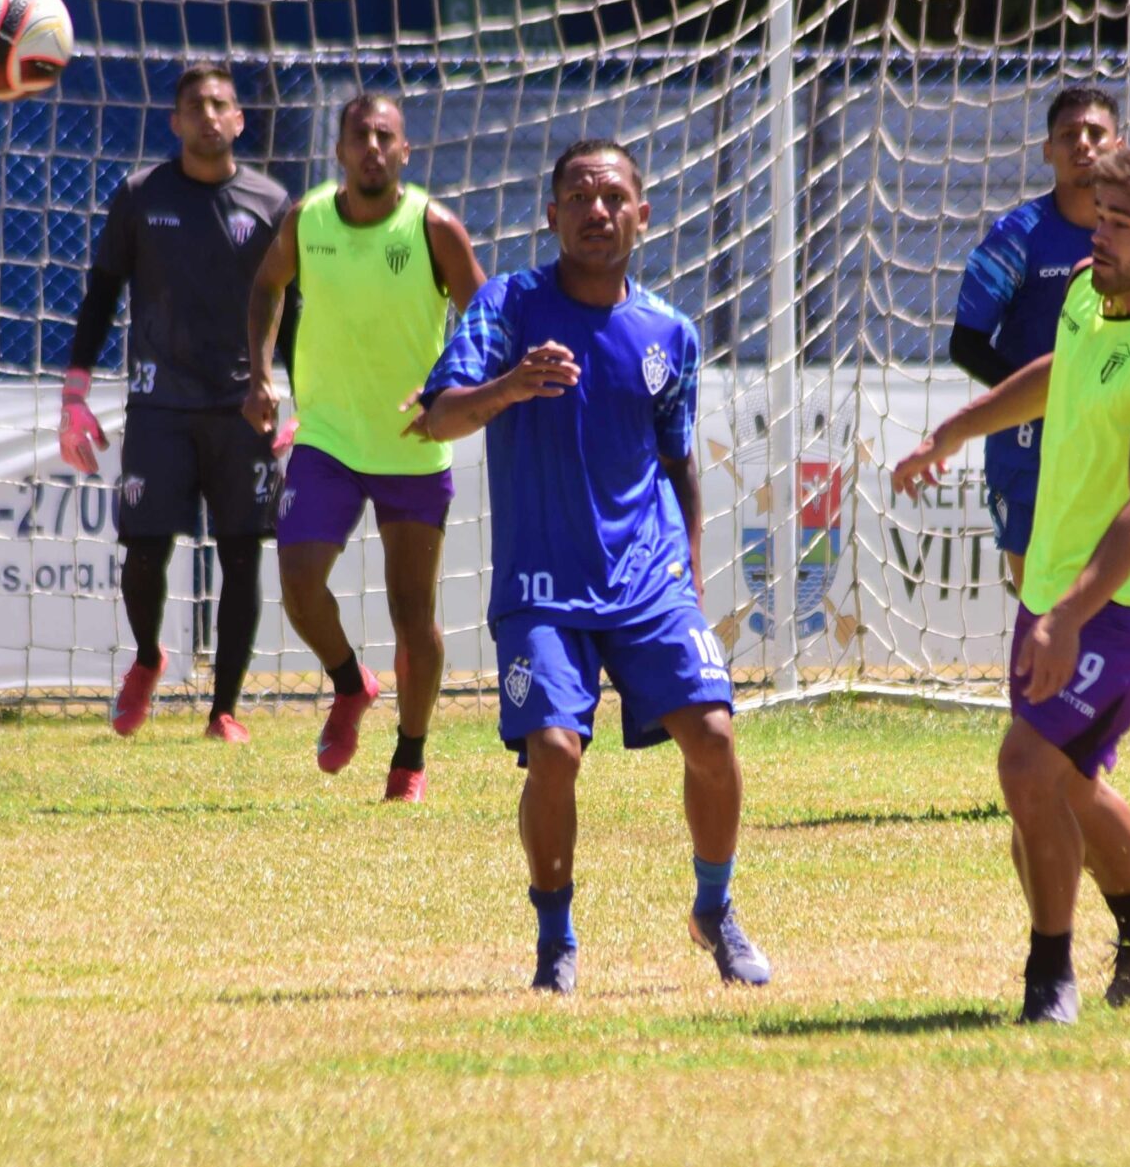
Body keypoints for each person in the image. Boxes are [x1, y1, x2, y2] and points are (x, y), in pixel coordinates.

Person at [408, 139, 767, 995]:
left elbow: (677, 457)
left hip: (646, 580)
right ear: (552, 213)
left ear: (642, 215)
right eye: (578, 196)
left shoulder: (670, 332)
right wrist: (508, 389)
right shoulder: (508, 307)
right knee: (557, 753)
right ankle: (555, 939)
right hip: (541, 583)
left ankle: (714, 908)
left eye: (613, 199)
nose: (596, 212)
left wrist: (688, 554)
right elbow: (435, 418)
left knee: (714, 736)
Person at [891, 146, 1130, 1024]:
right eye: (1097, 212)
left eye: (1121, 221)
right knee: (1063, 783)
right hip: (1059, 587)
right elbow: (1063, 373)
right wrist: (957, 430)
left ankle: (1050, 982)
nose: (1098, 231)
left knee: (1027, 766)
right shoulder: (1092, 289)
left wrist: (1070, 616)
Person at [245, 94, 483, 803]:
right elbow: (266, 286)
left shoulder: (433, 227)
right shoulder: (308, 219)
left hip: (413, 445)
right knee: (297, 583)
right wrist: (260, 371)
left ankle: (410, 756)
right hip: (328, 437)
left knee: (414, 616)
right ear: (341, 151)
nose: (373, 146)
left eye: (386, 136)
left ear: (405, 151)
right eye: (360, 136)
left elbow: (486, 315)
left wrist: (455, 386)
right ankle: (351, 683)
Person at [59, 63, 290, 743]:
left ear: (239, 120)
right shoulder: (140, 195)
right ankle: (149, 656)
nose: (209, 115)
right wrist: (74, 393)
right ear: (176, 122)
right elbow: (101, 294)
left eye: (221, 104)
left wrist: (297, 397)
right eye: (195, 106)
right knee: (142, 548)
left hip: (244, 406)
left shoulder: (272, 203)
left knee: (242, 553)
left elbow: (293, 309)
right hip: (158, 404)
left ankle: (224, 709)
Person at [948, 85, 1124, 586]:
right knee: (1038, 600)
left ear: (1120, 146)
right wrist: (1041, 399)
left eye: (1095, 133)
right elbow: (966, 344)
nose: (1083, 144)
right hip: (1028, 447)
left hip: (1111, 443)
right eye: (1069, 135)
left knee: (1109, 605)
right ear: (1048, 150)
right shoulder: (1015, 237)